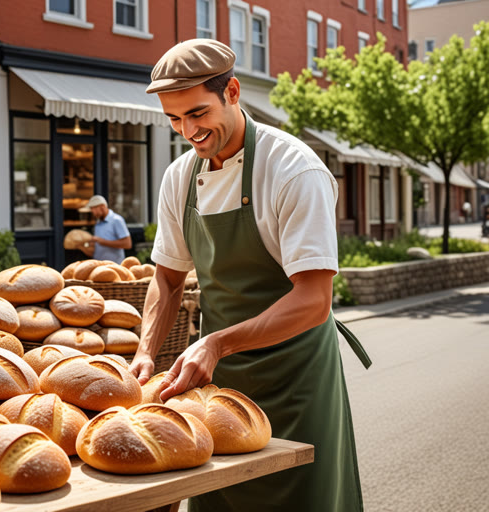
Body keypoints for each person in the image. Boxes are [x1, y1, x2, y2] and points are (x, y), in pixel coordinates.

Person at [129, 39, 371, 511]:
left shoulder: (294, 171)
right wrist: (145, 351)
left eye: (197, 113)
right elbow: (168, 278)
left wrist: (216, 342)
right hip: (215, 389)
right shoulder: (179, 178)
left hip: (296, 377)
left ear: (233, 92)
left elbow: (314, 300)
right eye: (174, 119)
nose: (188, 130)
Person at [79, 195, 132, 264]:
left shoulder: (116, 220)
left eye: (94, 208)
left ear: (102, 207)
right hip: (99, 267)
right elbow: (98, 245)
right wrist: (85, 245)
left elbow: (127, 244)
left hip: (115, 267)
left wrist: (103, 242)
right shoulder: (98, 223)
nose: (92, 212)